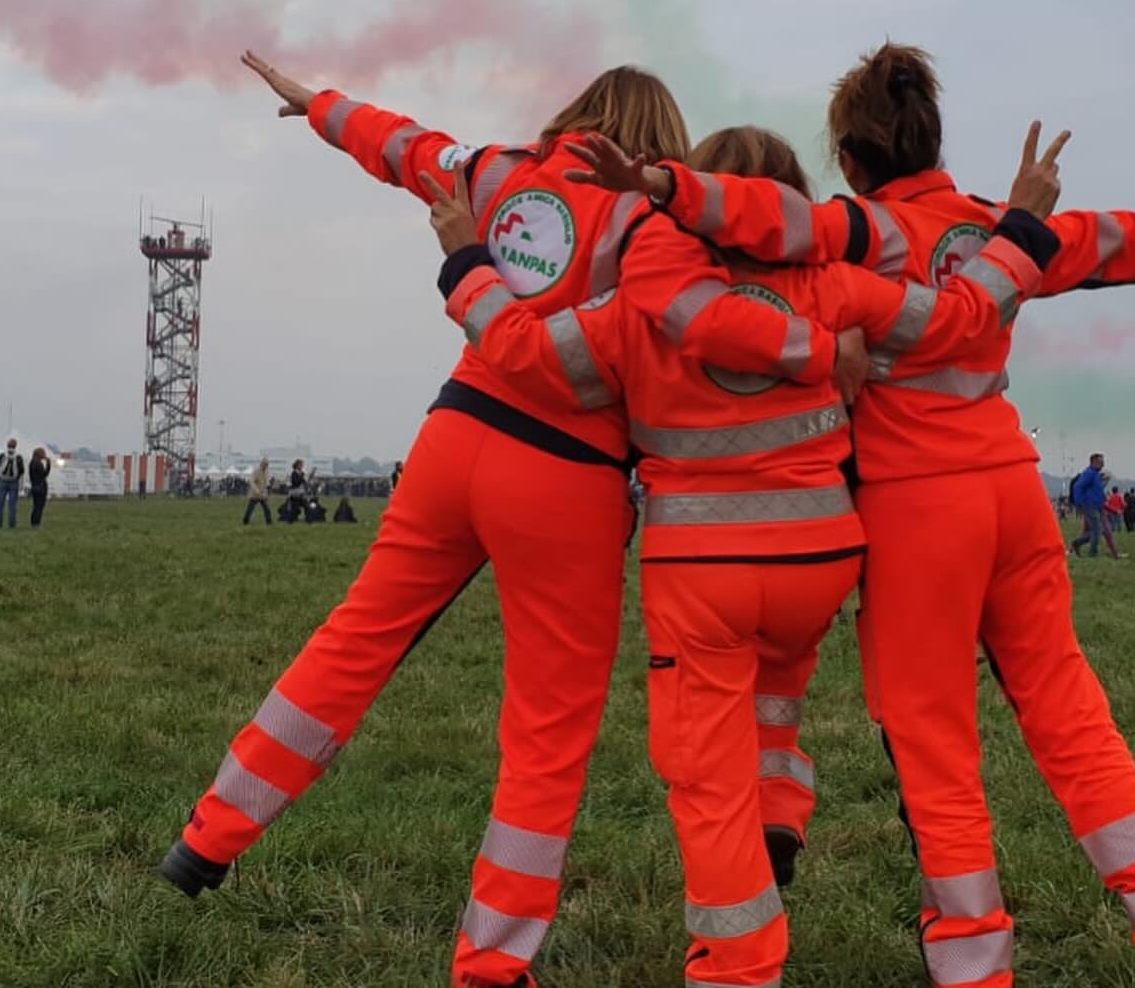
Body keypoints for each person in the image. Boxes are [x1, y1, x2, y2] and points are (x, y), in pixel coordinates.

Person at [569, 42, 1135, 988]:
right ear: (935, 137)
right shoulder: (992, 224)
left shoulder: (854, 235)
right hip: (1014, 490)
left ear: (850, 161)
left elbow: (757, 216)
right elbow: (1101, 241)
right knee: (1072, 714)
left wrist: (665, 185)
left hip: (912, 512)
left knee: (936, 744)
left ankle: (975, 962)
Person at [164, 55, 815, 988]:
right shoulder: (653, 220)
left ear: (573, 116)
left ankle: (210, 833)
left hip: (454, 436)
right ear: (660, 143)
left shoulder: (497, 168)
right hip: (568, 477)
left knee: (354, 641)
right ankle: (492, 966)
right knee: (546, 734)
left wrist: (317, 105)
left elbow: (402, 145)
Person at [423, 123, 1063, 988]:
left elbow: (523, 355)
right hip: (821, 557)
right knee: (778, 684)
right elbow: (960, 319)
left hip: (702, 571)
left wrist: (468, 263)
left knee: (707, 780)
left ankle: (738, 959)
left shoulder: (641, 307)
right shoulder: (834, 285)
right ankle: (782, 810)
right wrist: (1019, 230)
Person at [1070, 455, 1113, 559]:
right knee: (1097, 530)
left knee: (1097, 530)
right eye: (1100, 462)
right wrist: (1080, 502)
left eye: (1103, 461)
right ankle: (1092, 553)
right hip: (1089, 505)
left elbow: (1096, 490)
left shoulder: (1095, 475)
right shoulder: (1089, 473)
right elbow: (1078, 486)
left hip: (1096, 505)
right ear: (1093, 462)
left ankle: (1077, 543)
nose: (1103, 464)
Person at [0, 439, 24, 531]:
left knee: (0, 505)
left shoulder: (2, 455)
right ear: (15, 446)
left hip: (2, 481)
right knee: (12, 506)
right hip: (13, 482)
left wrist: (0, 478)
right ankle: (12, 525)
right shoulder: (18, 457)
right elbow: (22, 470)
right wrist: (16, 478)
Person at [243, 459, 273, 525]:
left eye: (267, 465)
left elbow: (266, 483)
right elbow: (251, 481)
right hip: (254, 494)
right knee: (250, 509)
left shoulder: (266, 472)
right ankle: (245, 521)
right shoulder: (256, 472)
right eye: (264, 465)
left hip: (262, 495)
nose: (265, 466)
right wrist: (256, 490)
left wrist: (267, 491)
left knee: (267, 509)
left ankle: (269, 522)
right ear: (261, 464)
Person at [29, 448, 52, 529]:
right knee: (39, 506)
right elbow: (44, 474)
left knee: (35, 506)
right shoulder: (39, 464)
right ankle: (36, 524)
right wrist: (48, 464)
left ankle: (33, 522)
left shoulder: (32, 462)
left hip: (34, 486)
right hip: (41, 487)